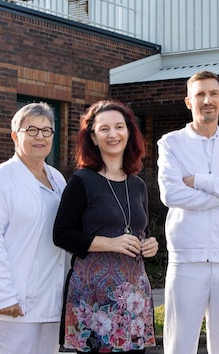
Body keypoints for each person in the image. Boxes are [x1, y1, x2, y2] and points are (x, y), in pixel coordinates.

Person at [157, 70, 219, 354]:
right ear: (188, 101)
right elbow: (172, 194)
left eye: (213, 94)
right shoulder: (171, 143)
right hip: (187, 259)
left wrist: (202, 183)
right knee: (180, 345)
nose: (207, 100)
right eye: (200, 94)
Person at [53, 100, 158, 353]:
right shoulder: (82, 181)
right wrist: (110, 243)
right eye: (104, 129)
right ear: (93, 136)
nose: (113, 134)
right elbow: (62, 234)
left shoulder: (138, 185)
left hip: (134, 297)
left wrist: (149, 244)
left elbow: (135, 228)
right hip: (94, 300)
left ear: (129, 132)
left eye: (119, 127)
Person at [0, 102, 68, 354]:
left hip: (49, 299)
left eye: (47, 130)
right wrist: (4, 295)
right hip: (15, 299)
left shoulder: (57, 178)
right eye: (32, 130)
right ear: (16, 136)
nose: (40, 136)